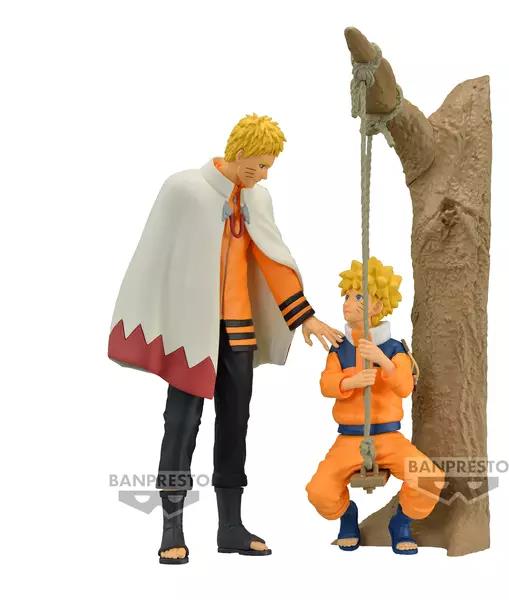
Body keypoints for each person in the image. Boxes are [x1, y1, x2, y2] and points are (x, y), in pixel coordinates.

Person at [108, 113, 343, 563]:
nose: (265, 174)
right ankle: (172, 527)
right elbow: (154, 258)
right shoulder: (184, 189)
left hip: (239, 331)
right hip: (189, 332)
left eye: (269, 166)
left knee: (235, 426)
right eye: (260, 164)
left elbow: (272, 259)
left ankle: (230, 526)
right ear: (240, 153)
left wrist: (304, 317)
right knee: (181, 424)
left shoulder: (257, 199)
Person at [305, 257, 444, 554]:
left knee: (429, 477)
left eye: (358, 298)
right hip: (349, 438)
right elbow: (326, 384)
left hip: (388, 437)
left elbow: (404, 386)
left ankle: (401, 522)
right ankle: (347, 515)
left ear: (378, 306)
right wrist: (351, 382)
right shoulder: (339, 349)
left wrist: (383, 362)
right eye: (346, 296)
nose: (347, 303)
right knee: (319, 491)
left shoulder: (394, 349)